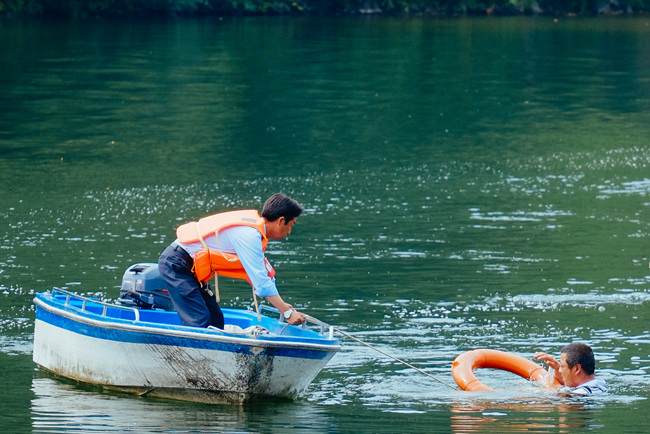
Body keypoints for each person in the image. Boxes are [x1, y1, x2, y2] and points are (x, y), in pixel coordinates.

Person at [158, 193, 306, 329]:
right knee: (199, 321)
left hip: (190, 269)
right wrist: (287, 313)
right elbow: (261, 282)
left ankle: (213, 357)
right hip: (176, 264)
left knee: (216, 320)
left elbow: (264, 275)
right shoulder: (249, 235)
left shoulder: (255, 233)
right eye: (291, 225)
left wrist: (281, 305)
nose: (289, 232)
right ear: (281, 221)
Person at [534, 343, 607, 395]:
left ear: (577, 369)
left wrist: (549, 386)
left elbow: (563, 399)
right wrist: (557, 368)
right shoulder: (600, 382)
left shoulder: (580, 394)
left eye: (562, 367)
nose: (560, 370)